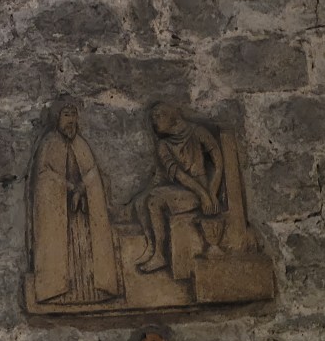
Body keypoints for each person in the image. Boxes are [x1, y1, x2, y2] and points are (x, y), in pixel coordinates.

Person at [29, 103, 120, 304]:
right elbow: (45, 176)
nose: (71, 120)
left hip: (82, 213)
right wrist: (69, 187)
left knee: (84, 251)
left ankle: (93, 290)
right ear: (57, 118)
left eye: (74, 115)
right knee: (62, 252)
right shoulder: (49, 143)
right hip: (58, 213)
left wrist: (80, 190)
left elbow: (92, 173)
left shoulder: (81, 144)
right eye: (66, 114)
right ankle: (55, 291)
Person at [133, 102, 223, 274]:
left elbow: (218, 163)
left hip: (201, 189)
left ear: (171, 115)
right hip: (188, 190)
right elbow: (177, 176)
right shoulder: (163, 145)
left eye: (158, 116)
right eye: (152, 118)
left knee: (154, 202)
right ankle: (151, 247)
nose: (154, 122)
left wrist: (210, 194)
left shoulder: (198, 132)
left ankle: (160, 255)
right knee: (140, 202)